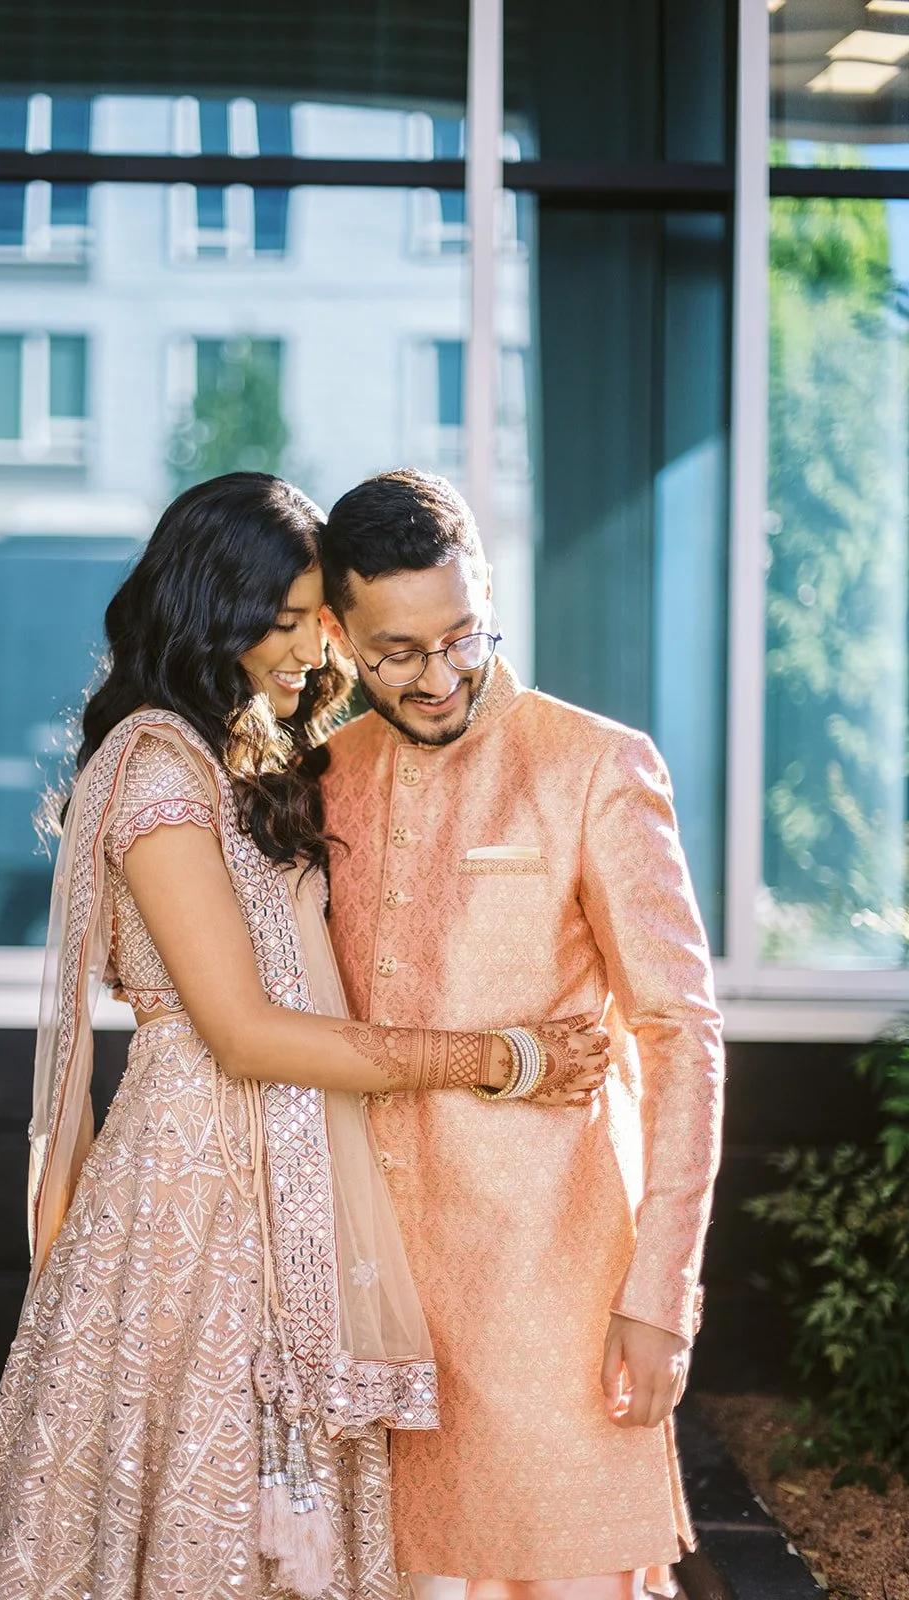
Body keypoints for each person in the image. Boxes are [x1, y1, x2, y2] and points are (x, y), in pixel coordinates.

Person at [0, 472, 608, 1600]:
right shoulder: (155, 764)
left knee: (281, 1512)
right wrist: (500, 1057)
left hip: (285, 1176)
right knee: (206, 1503)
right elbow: (242, 1032)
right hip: (195, 1192)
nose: (313, 646)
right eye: (285, 620)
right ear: (214, 608)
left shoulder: (246, 751)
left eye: (319, 619)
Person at [317, 469, 726, 1600]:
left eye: (462, 635)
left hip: (556, 1294)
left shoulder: (594, 763)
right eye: (396, 651)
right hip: (374, 1298)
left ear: (488, 592)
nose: (439, 675)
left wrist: (660, 1296)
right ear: (339, 633)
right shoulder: (321, 778)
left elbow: (682, 1032)